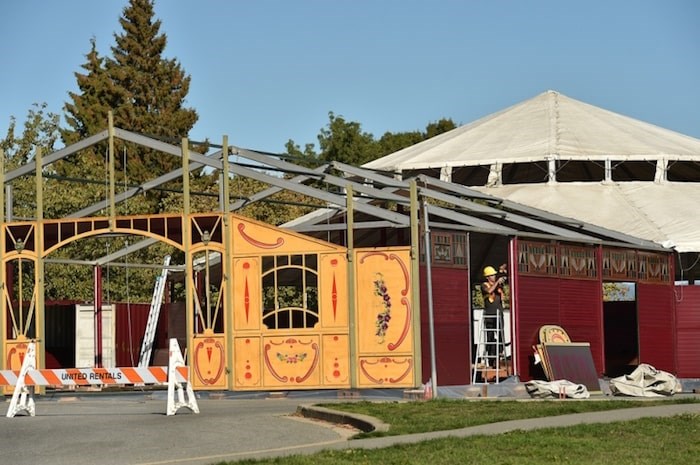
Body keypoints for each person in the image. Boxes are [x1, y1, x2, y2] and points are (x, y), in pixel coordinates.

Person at [480, 264, 507, 367]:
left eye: (494, 275)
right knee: (490, 337)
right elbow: (489, 291)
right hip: (489, 315)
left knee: (500, 335)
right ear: (487, 277)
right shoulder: (484, 285)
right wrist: (497, 283)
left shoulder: (499, 285)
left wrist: (502, 271)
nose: (494, 277)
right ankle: (491, 361)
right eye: (492, 275)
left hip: (498, 314)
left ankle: (499, 354)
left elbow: (505, 279)